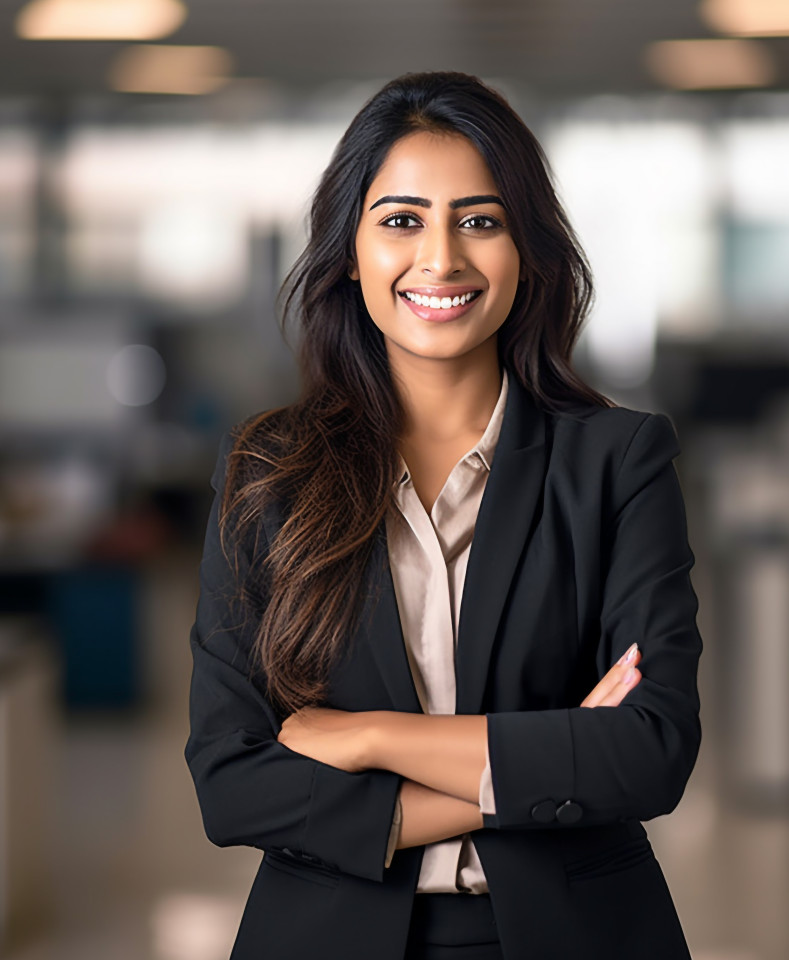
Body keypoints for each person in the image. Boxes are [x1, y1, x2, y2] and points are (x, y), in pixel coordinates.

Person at [184, 70, 702, 960]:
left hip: (578, 936)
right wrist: (545, 761)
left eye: (479, 220)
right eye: (401, 220)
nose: (441, 258)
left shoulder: (618, 462)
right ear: (350, 250)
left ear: (525, 248)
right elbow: (234, 784)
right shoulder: (268, 474)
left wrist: (373, 737)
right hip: (324, 935)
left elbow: (650, 751)